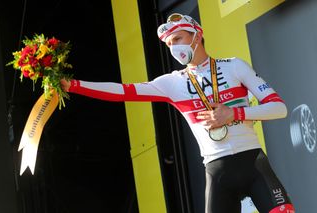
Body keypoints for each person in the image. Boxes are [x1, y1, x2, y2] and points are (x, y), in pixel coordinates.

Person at [60, 13, 295, 213]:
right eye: (169, 44)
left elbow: (279, 108)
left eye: (178, 39)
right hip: (217, 171)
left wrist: (235, 114)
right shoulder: (172, 83)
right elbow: (123, 92)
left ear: (197, 34)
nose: (174, 48)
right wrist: (75, 86)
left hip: (252, 163)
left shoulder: (234, 65)